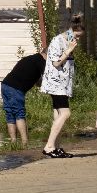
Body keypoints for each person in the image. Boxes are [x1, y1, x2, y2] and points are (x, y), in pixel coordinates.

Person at [40, 15, 84, 158]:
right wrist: (69, 50)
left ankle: (56, 147)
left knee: (58, 114)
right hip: (55, 83)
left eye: (80, 37)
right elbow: (56, 63)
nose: (77, 39)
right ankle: (49, 146)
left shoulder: (69, 41)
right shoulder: (57, 40)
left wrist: (70, 48)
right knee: (65, 113)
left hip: (64, 84)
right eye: (76, 36)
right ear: (70, 31)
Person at [0, 47, 47, 148]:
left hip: (5, 85)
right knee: (19, 114)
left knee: (10, 114)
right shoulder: (42, 61)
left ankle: (13, 142)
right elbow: (47, 78)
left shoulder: (31, 58)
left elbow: (37, 81)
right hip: (15, 88)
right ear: (48, 54)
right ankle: (25, 143)